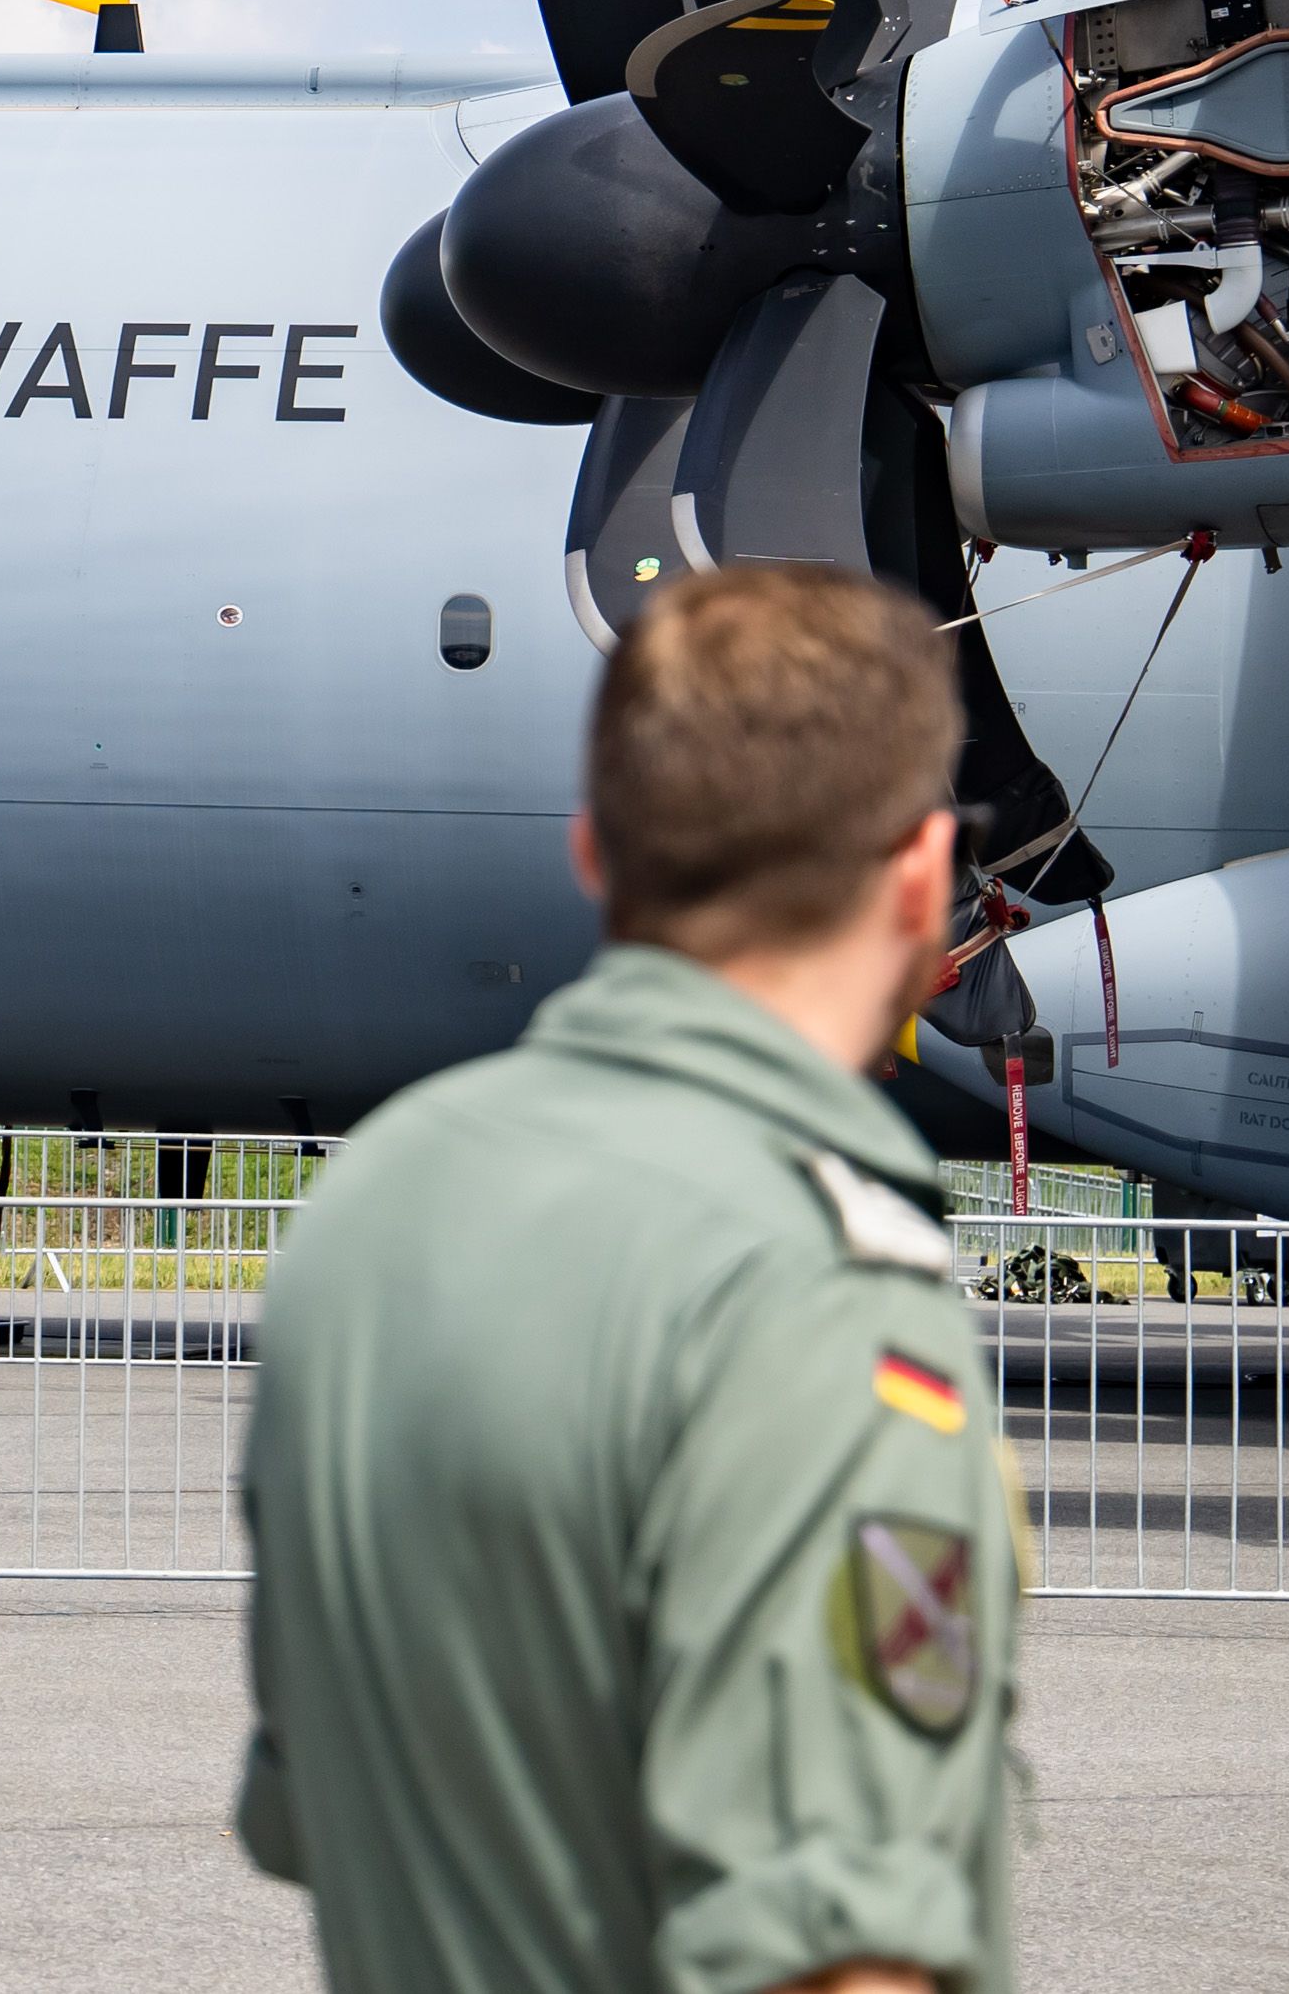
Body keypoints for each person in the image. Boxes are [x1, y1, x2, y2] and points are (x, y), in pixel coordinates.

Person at [236, 566, 1023, 1994]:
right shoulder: (814, 1286)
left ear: (594, 850)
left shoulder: (372, 1204)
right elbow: (835, 1944)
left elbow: (304, 1804)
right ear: (921, 876)